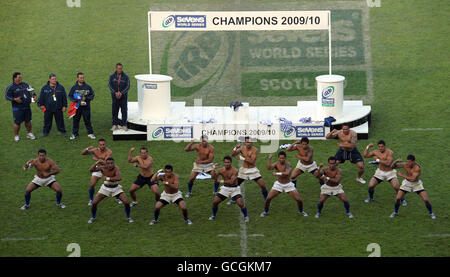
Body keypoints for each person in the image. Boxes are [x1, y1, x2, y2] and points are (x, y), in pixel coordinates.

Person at [260, 151, 308, 218]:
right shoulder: (276, 164)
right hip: (278, 184)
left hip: (288, 185)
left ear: (285, 158)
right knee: (268, 199)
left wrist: (277, 173)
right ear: (278, 158)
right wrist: (269, 159)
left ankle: (301, 211)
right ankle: (265, 212)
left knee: (299, 200)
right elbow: (269, 168)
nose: (281, 160)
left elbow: (287, 173)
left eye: (283, 158)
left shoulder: (288, 164)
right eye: (280, 158)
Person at [88, 157, 134, 223]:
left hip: (116, 188)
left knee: (126, 202)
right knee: (94, 203)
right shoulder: (102, 167)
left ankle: (128, 217)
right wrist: (96, 163)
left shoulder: (116, 168)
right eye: (108, 163)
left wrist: (107, 178)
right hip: (105, 188)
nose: (110, 165)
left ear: (114, 163)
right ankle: (93, 217)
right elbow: (91, 170)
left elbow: (119, 177)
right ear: (106, 164)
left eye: (112, 163)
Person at [389, 155, 436, 219]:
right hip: (407, 183)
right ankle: (395, 212)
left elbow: (413, 179)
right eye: (407, 162)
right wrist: (396, 161)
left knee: (426, 200)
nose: (408, 163)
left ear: (414, 162)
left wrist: (402, 175)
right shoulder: (405, 164)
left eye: (410, 162)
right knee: (398, 198)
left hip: (416, 184)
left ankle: (431, 213)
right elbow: (392, 167)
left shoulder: (417, 168)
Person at [363, 140, 406, 205]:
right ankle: (371, 198)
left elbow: (388, 163)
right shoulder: (376, 151)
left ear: (385, 146)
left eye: (382, 147)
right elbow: (365, 155)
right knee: (370, 186)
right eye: (379, 147)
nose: (380, 148)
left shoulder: (390, 152)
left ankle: (402, 199)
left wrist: (377, 160)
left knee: (396, 187)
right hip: (380, 172)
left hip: (390, 172)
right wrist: (368, 147)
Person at [208, 156, 249, 222]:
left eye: (228, 162)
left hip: (234, 189)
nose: (227, 164)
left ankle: (246, 216)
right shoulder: (221, 170)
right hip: (225, 188)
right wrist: (213, 169)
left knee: (240, 203)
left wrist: (220, 181)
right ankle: (213, 215)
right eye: (225, 162)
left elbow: (231, 182)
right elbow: (213, 177)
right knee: (215, 202)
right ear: (223, 163)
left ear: (231, 163)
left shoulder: (234, 170)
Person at [81, 139, 121, 206]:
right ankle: (91, 199)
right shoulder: (95, 150)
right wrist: (88, 148)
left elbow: (107, 162)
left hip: (107, 169)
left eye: (104, 144)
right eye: (101, 145)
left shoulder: (109, 152)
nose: (102, 146)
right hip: (98, 169)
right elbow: (83, 153)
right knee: (92, 185)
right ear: (98, 145)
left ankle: (117, 197)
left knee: (115, 184)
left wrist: (97, 159)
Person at [231, 136, 268, 203]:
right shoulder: (242, 148)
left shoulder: (255, 150)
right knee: (235, 184)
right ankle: (233, 199)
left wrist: (243, 158)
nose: (248, 143)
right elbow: (232, 154)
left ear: (252, 143)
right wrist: (235, 148)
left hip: (253, 170)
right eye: (247, 142)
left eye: (250, 142)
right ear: (245, 142)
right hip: (244, 170)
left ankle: (267, 199)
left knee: (262, 185)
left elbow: (252, 161)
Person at [5, 72, 36, 142]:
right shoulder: (11, 87)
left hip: (27, 106)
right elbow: (7, 96)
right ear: (14, 78)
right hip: (17, 108)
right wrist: (14, 99)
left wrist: (34, 96)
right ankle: (16, 136)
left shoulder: (25, 84)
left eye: (21, 77)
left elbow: (31, 91)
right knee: (17, 122)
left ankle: (29, 133)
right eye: (19, 77)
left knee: (28, 121)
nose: (20, 78)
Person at [68, 72, 95, 140]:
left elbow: (92, 95)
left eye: (83, 78)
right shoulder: (74, 87)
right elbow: (70, 96)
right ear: (77, 78)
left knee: (87, 120)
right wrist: (76, 100)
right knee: (76, 121)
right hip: (77, 107)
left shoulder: (88, 87)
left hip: (86, 107)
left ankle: (90, 133)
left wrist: (86, 98)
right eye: (80, 78)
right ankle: (75, 134)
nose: (82, 79)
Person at [109, 63, 130, 131]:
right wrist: (115, 92)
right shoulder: (112, 76)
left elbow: (128, 86)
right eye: (118, 68)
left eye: (121, 68)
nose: (120, 70)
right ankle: (115, 125)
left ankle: (124, 125)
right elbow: (110, 85)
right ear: (116, 68)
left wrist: (121, 93)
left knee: (124, 111)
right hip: (115, 97)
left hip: (123, 97)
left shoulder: (126, 76)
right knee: (114, 111)